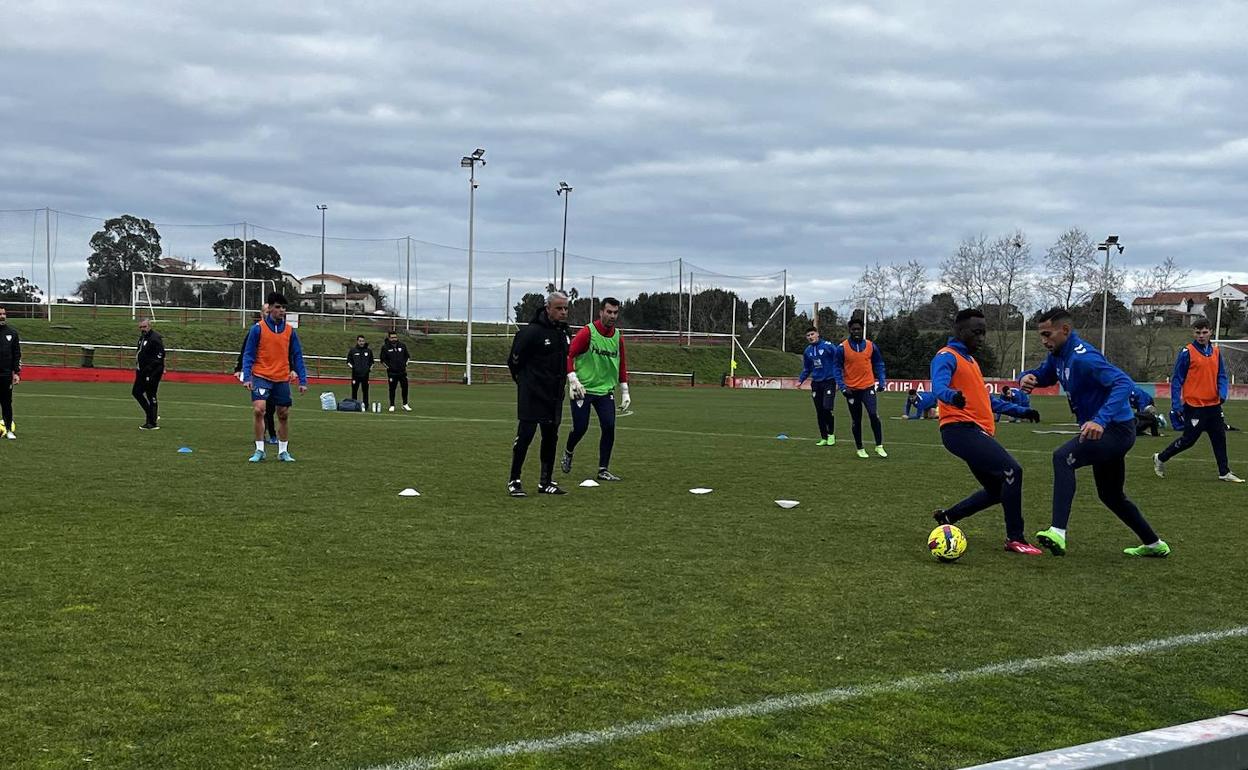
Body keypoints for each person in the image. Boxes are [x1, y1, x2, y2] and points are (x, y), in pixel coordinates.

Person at [1020, 308, 1169, 558]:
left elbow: (1123, 382)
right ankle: (1154, 544)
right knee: (1111, 495)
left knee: (1062, 457)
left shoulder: (1084, 357)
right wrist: (1028, 377)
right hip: (1106, 431)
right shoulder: (1058, 355)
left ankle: (1058, 531)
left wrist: (1100, 420)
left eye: (1048, 334)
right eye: (1041, 336)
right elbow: (1045, 375)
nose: (1044, 340)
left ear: (1065, 331)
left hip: (1116, 430)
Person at [930, 309, 1043, 554]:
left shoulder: (970, 361)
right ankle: (1016, 538)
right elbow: (938, 386)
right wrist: (951, 396)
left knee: (997, 490)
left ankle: (949, 516)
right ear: (960, 332)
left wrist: (1021, 411)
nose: (981, 338)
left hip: (974, 431)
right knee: (1012, 470)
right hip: (960, 429)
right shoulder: (946, 356)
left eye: (984, 333)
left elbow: (986, 400)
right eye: (976, 332)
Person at [1153, 318, 1242, 483]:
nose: (1201, 336)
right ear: (1193, 333)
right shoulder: (1187, 352)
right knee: (1189, 440)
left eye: (1204, 332)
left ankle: (1224, 472)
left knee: (1219, 438)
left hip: (1214, 405)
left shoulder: (1216, 352)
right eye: (1198, 332)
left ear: (1210, 332)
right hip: (1194, 406)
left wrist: (1222, 392)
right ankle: (1160, 457)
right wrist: (1176, 404)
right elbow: (1177, 379)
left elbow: (1221, 375)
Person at [507, 290, 571, 496]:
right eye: (559, 308)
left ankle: (545, 482)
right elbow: (514, 361)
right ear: (548, 309)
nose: (563, 312)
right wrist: (525, 383)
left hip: (554, 395)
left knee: (551, 437)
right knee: (525, 436)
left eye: (566, 308)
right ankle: (514, 480)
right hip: (532, 394)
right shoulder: (531, 332)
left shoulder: (564, 333)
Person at [562, 297, 631, 481]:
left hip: (604, 391)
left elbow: (622, 365)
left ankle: (603, 469)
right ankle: (568, 451)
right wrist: (573, 378)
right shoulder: (587, 332)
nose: (612, 316)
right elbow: (569, 355)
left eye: (615, 312)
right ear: (601, 312)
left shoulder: (618, 337)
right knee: (580, 428)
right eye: (609, 312)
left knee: (609, 427)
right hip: (582, 389)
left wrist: (624, 391)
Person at [240, 293, 308, 462]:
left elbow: (297, 355)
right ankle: (260, 449)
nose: (281, 311)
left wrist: (303, 380)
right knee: (259, 410)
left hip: (281, 378)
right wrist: (247, 376)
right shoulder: (257, 329)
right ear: (269, 308)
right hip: (261, 375)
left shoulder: (290, 332)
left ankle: (283, 451)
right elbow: (248, 354)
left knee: (283, 414)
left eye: (283, 308)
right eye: (278, 307)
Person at [832, 317, 887, 458]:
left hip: (868, 387)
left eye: (859, 329)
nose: (856, 331)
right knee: (856, 419)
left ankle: (879, 446)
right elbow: (837, 368)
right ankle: (860, 448)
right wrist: (843, 387)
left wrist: (881, 381)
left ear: (862, 330)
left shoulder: (871, 346)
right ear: (849, 330)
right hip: (851, 390)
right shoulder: (842, 348)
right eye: (854, 329)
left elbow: (879, 364)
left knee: (874, 415)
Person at [234, 304, 278, 445]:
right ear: (261, 314)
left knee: (272, 406)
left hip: (275, 373)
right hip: (259, 374)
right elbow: (245, 351)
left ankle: (271, 434)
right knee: (262, 407)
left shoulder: (279, 331)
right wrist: (239, 368)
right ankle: (263, 436)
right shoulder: (255, 331)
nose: (268, 314)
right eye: (265, 311)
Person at [796, 326, 838, 444]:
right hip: (816, 383)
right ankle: (824, 437)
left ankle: (831, 434)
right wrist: (801, 380)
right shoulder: (807, 351)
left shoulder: (828, 346)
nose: (810, 337)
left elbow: (838, 361)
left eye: (812, 334)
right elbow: (807, 368)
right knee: (819, 411)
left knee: (826, 408)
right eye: (808, 335)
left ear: (817, 334)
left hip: (829, 381)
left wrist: (840, 380)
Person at [133, 318, 165, 430]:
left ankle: (152, 422)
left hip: (153, 372)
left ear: (149, 326)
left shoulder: (155, 338)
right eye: (140, 327)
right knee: (136, 392)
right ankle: (150, 414)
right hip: (141, 371)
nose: (142, 329)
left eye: (144, 327)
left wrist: (150, 368)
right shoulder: (142, 338)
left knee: (151, 394)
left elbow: (160, 355)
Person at [0, 306, 21, 440]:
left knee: (7, 403)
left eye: (4, 314)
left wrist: (16, 373)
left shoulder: (12, 333)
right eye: (0, 314)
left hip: (6, 375)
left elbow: (16, 354)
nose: (2, 316)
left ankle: (8, 430)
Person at [380, 331, 411, 412]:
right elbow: (382, 360)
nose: (394, 339)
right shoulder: (385, 347)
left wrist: (405, 365)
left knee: (405, 388)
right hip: (392, 373)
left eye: (395, 337)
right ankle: (392, 405)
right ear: (389, 338)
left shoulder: (402, 346)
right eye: (392, 337)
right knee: (392, 389)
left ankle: (405, 404)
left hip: (402, 372)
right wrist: (389, 368)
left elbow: (407, 357)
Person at [347, 335, 374, 406]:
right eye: (360, 341)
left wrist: (369, 369)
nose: (361, 343)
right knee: (354, 391)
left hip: (365, 375)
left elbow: (371, 362)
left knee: (365, 391)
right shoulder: (353, 351)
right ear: (357, 341)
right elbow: (348, 361)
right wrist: (354, 368)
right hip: (355, 375)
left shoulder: (368, 351)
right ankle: (354, 405)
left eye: (363, 341)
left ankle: (366, 405)